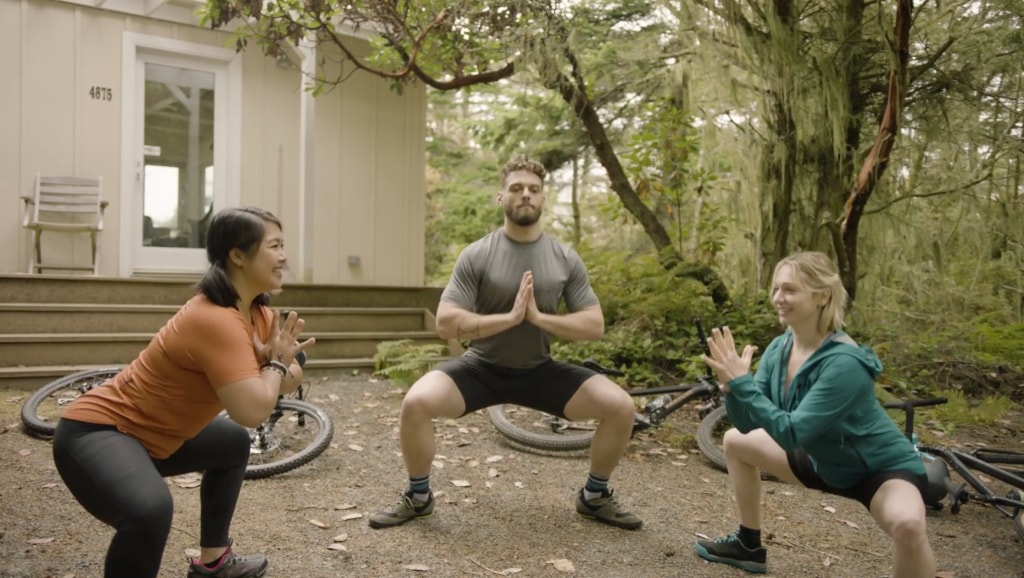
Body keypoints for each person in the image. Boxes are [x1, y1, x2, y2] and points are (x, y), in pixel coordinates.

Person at [369, 155, 641, 530]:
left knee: (621, 406)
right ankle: (418, 497)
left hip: (539, 370)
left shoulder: (564, 258)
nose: (525, 195)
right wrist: (509, 319)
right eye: (516, 188)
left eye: (533, 189)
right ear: (501, 198)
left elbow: (594, 325)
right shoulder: (477, 254)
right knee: (416, 402)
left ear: (544, 198)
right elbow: (447, 323)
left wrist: (539, 318)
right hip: (480, 368)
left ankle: (594, 497)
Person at [52, 207, 315, 578]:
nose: (284, 256)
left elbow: (291, 375)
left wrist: (274, 367)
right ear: (237, 255)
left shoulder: (259, 314)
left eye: (283, 245)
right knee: (150, 510)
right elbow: (254, 410)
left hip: (153, 436)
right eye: (275, 246)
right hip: (98, 432)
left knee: (230, 443)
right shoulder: (213, 318)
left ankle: (214, 563)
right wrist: (272, 366)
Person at [694, 252, 935, 576]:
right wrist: (732, 388)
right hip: (821, 462)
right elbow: (747, 422)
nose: (779, 298)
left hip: (877, 471)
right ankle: (748, 546)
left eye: (790, 290)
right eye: (776, 289)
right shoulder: (780, 348)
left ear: (822, 296)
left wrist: (743, 383)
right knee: (736, 441)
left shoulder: (845, 363)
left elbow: (793, 433)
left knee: (908, 526)